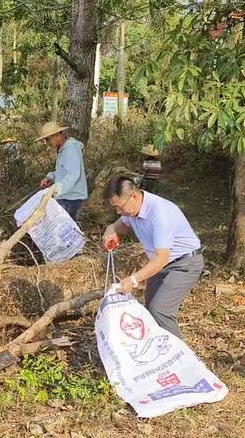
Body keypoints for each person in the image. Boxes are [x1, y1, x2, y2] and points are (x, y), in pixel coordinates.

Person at [102, 175, 203, 339]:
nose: (119, 212)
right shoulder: (132, 210)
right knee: (149, 308)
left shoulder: (160, 214)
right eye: (115, 209)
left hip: (184, 264)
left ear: (134, 196)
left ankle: (179, 357)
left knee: (160, 309)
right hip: (161, 264)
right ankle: (158, 350)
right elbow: (121, 226)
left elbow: (162, 258)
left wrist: (133, 280)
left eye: (120, 208)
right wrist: (111, 229)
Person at [36, 122, 87, 221]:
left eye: (48, 139)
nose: (47, 143)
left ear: (58, 135)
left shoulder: (70, 149)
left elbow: (74, 174)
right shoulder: (63, 149)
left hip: (72, 199)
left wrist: (56, 188)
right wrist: (50, 177)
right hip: (66, 197)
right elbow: (63, 172)